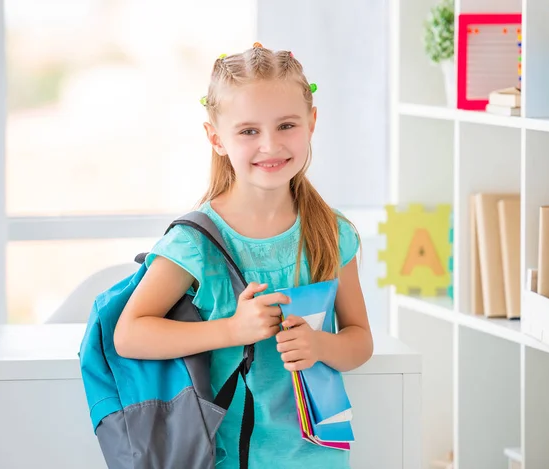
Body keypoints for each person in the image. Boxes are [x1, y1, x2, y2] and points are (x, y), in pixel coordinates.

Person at [114, 42, 374, 469]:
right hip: (223, 456)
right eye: (249, 131)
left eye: (287, 125)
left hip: (318, 458)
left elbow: (359, 341)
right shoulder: (196, 242)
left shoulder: (331, 231)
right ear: (216, 138)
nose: (270, 145)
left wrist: (320, 345)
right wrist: (232, 330)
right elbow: (130, 334)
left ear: (312, 122)